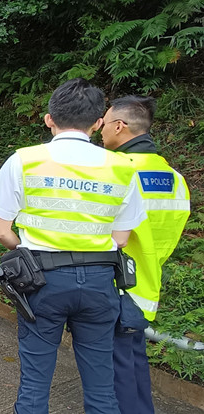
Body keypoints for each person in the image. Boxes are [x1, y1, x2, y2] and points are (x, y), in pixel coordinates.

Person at [0, 78, 146, 414]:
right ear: (98, 122)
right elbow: (122, 238)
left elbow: (1, 231)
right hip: (101, 282)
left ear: (49, 119)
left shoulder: (24, 160)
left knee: (35, 385)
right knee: (102, 387)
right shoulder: (123, 168)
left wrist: (25, 250)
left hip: (42, 281)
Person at [100, 96, 190, 414]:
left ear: (120, 126)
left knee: (115, 374)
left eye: (105, 122)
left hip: (112, 284)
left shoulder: (116, 173)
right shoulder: (175, 179)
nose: (100, 129)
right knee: (133, 364)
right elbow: (167, 234)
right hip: (147, 283)